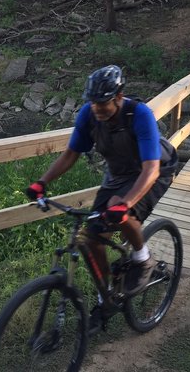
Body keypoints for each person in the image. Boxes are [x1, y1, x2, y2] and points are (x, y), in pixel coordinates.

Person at [25, 65, 174, 329]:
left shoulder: (138, 114)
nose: (97, 108)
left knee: (120, 209)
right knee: (91, 237)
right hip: (117, 175)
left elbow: (151, 168)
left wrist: (126, 203)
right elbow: (71, 154)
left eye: (102, 103)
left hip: (153, 171)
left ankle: (142, 258)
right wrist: (42, 182)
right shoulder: (89, 115)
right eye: (93, 103)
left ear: (119, 96)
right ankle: (105, 295)